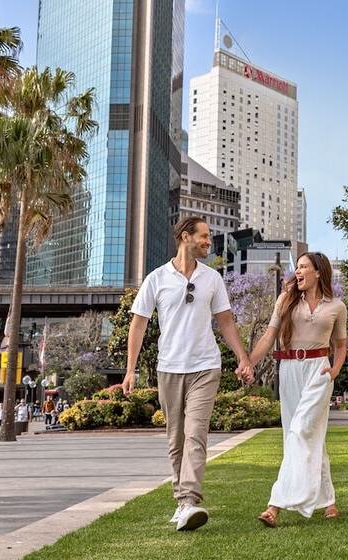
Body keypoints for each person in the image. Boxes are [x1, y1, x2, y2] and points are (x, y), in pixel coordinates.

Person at [123, 216, 253, 532]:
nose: (209, 241)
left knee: (196, 433)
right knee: (176, 440)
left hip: (205, 366)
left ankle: (189, 501)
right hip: (169, 367)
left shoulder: (212, 279)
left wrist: (243, 358)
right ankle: (181, 501)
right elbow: (138, 325)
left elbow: (225, 321)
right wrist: (130, 370)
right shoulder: (156, 278)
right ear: (185, 237)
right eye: (204, 236)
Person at [249, 251, 347, 528]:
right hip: (289, 368)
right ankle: (329, 501)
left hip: (319, 370)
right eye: (298, 267)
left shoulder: (337, 306)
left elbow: (341, 345)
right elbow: (269, 336)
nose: (298, 271)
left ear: (318, 272)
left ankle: (275, 505)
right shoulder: (285, 300)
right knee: (306, 435)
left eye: (304, 267)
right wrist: (249, 362)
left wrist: (335, 370)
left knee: (300, 431)